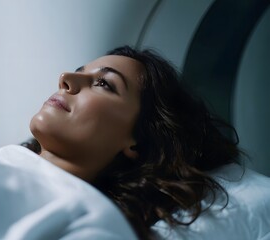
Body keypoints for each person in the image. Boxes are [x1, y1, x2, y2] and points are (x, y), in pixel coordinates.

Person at [24, 45, 241, 239]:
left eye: (103, 83)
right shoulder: (0, 159)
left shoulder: (89, 223)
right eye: (80, 71)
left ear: (135, 141)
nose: (65, 78)